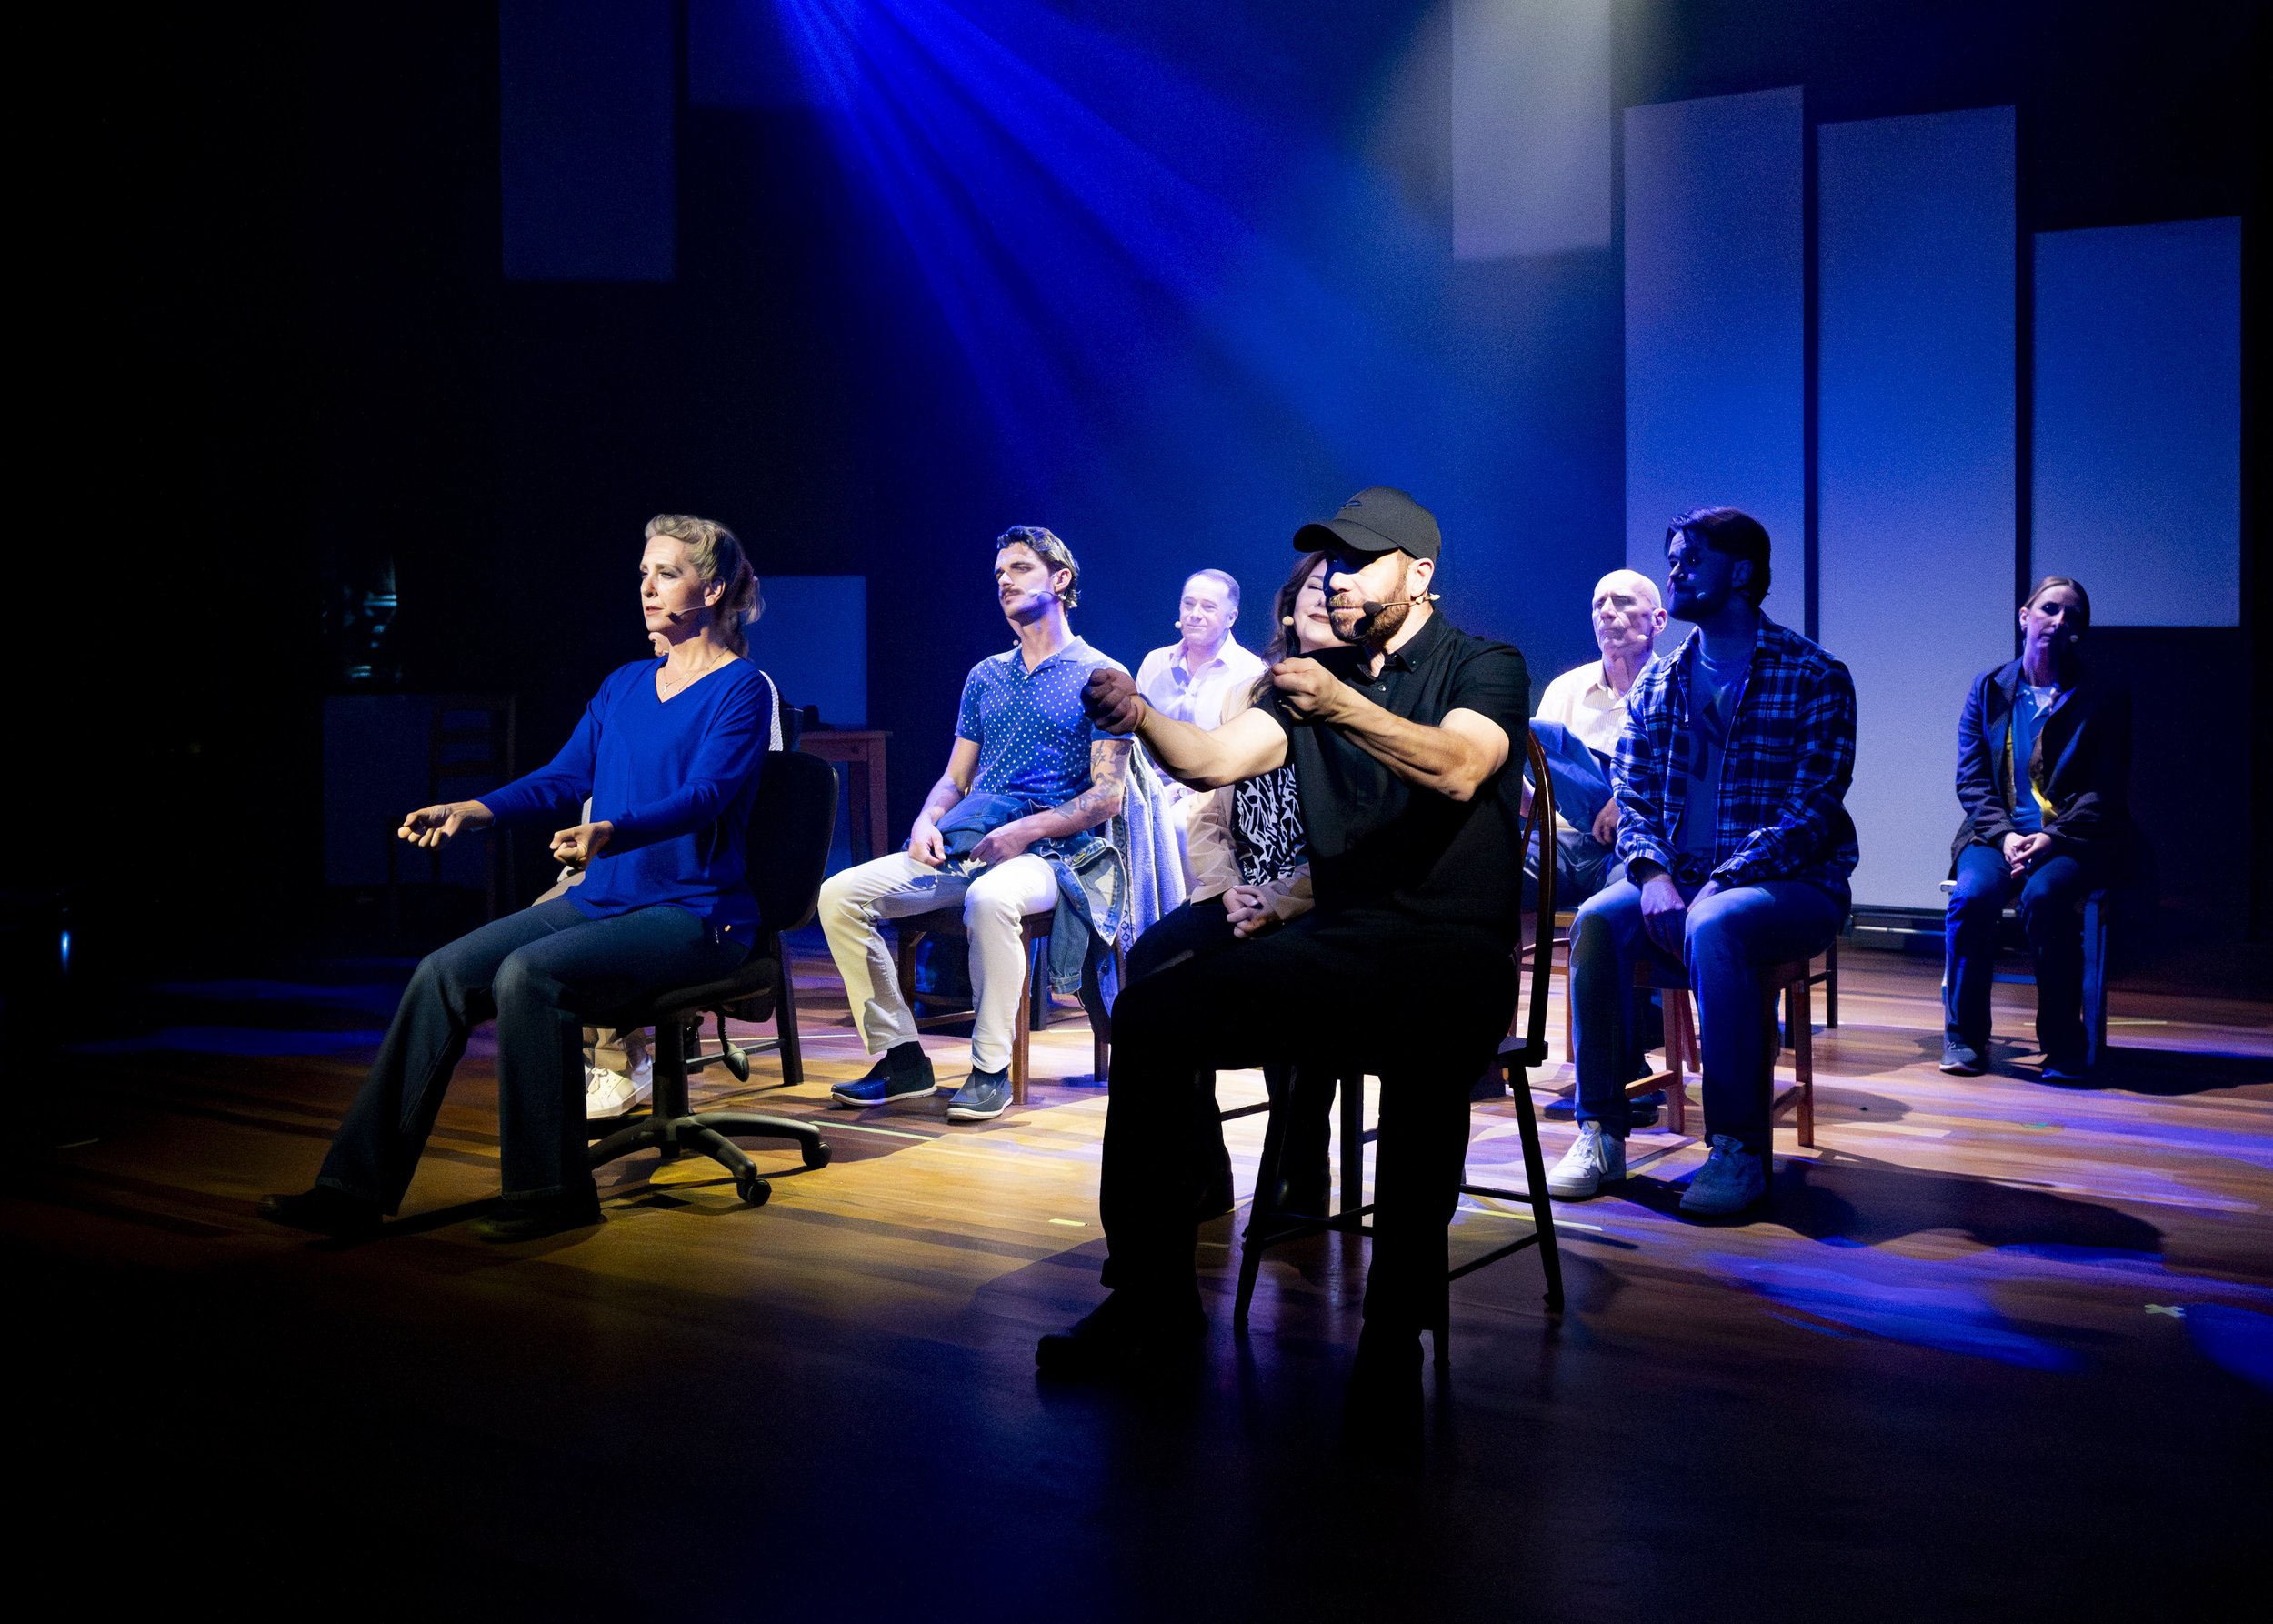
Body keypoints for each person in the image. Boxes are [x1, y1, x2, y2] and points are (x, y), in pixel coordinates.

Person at [1037, 487, 1531, 1409]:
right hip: (1341, 943)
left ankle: (1393, 1336)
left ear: (1419, 575)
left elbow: (1460, 768)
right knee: (1150, 1016)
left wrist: (1341, 703)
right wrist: (1141, 716)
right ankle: (1150, 1295)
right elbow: (1211, 760)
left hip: (1453, 949)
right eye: (1330, 561)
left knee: (1427, 1054)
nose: (1337, 579)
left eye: (1360, 562)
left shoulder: (1482, 664)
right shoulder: (1312, 679)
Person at [261, 515, 774, 1243]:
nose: (647, 588)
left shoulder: (742, 689)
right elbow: (564, 776)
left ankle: (551, 1192)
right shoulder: (625, 684)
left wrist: (609, 830)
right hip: (606, 899)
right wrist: (472, 811)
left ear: (713, 589)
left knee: (529, 976)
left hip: (697, 916)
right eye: (643, 574)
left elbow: (706, 796)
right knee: (442, 973)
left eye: (667, 573)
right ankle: (352, 1187)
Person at [1546, 507, 1857, 1218]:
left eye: (1691, 560)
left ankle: (1737, 1146)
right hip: (1680, 875)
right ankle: (1601, 1131)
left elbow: (1813, 807)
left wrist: (1720, 880)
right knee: (1596, 920)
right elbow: (1632, 794)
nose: (1675, 573)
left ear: (1740, 573)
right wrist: (1653, 874)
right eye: (1673, 561)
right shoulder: (1662, 683)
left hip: (1790, 882)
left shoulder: (1814, 675)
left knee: (1716, 923)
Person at [816, 526, 1130, 1124]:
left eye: (1020, 568)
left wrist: (1027, 832)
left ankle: (990, 1068)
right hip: (973, 843)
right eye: (999, 573)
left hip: (1056, 853)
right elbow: (954, 779)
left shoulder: (1101, 675)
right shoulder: (986, 674)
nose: (1004, 580)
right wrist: (925, 820)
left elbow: (1106, 798)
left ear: (1061, 580)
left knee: (990, 899)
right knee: (839, 895)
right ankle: (902, 1058)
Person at [1126, 550, 1336, 1218]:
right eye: (1313, 586)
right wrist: (1223, 888)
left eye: (1338, 587)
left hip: (1318, 901)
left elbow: (1355, 838)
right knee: (1152, 960)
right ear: (1288, 607)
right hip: (1241, 889)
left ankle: (1299, 1166)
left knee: (1293, 982)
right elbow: (1210, 811)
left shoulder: (1364, 702)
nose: (1326, 595)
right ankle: (1200, 1163)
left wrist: (1280, 900)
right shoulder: (1248, 695)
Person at [1942, 576, 2128, 1081]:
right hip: (1994, 833)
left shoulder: (2101, 697)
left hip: (2068, 837)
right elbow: (1971, 780)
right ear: (2024, 616)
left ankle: (2063, 1044)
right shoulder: (1988, 689)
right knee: (1972, 898)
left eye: (2072, 615)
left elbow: (2104, 792)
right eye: (2049, 609)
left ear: (2079, 631)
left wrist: (2050, 837)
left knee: (2045, 899)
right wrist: (2005, 835)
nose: (2059, 620)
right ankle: (1964, 1036)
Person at [1527, 569, 1668, 903]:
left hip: (1638, 842)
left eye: (1622, 601)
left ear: (1658, 620)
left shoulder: (1675, 689)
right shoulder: (1566, 688)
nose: (1605, 612)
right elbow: (1536, 794)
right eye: (1598, 605)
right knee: (1484, 872)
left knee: (1620, 902)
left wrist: (1624, 803)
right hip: (1561, 841)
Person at [1136, 569, 1266, 879]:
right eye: (1188, 604)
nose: (1195, 614)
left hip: (1215, 790)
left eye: (1208, 607)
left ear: (1231, 617)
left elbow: (1245, 757)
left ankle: (1195, 904)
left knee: (1180, 824)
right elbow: (1134, 740)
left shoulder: (1251, 672)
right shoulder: (1155, 662)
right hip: (1152, 786)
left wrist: (1182, 792)